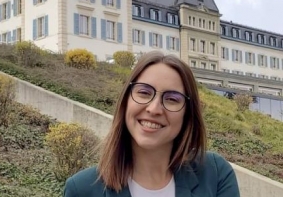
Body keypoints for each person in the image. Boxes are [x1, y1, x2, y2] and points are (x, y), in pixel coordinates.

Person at [63, 50, 240, 197]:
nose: (154, 108)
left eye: (171, 99)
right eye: (144, 93)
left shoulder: (215, 174)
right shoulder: (81, 189)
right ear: (126, 102)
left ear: (187, 113)